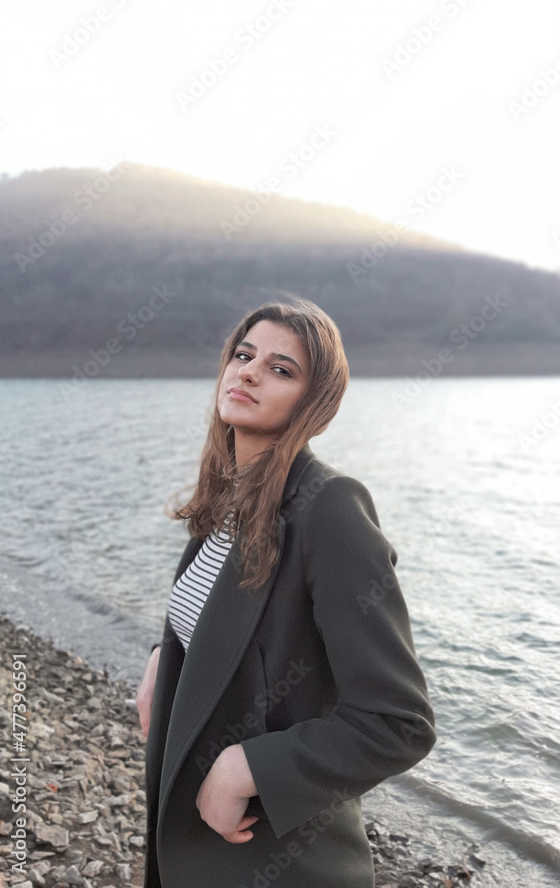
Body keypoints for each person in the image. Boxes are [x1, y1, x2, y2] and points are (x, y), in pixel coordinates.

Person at [137, 297, 437, 888]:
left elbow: (397, 722)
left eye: (280, 369)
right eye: (243, 355)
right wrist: (164, 657)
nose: (249, 372)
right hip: (193, 845)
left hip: (275, 860)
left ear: (312, 401)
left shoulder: (330, 508)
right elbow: (219, 626)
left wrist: (249, 767)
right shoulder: (229, 498)